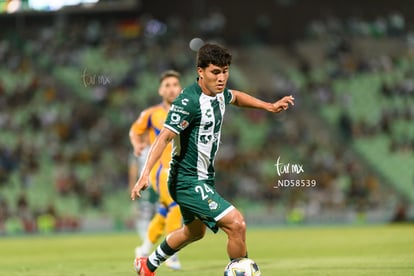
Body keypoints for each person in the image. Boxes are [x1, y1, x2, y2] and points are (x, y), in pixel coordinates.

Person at [131, 43, 295, 276]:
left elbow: (235, 96)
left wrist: (268, 106)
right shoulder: (187, 102)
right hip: (186, 181)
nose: (222, 78)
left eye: (225, 71)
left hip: (203, 178)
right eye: (215, 72)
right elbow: (164, 137)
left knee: (194, 232)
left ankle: (147, 265)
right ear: (201, 72)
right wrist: (145, 174)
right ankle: (240, 269)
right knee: (236, 224)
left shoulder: (219, 94)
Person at [129, 70, 183, 270]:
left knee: (164, 211)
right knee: (176, 206)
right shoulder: (151, 114)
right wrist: (136, 145)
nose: (171, 88)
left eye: (175, 84)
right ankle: (171, 254)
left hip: (180, 170)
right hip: (161, 170)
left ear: (180, 88)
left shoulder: (188, 111)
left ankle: (144, 250)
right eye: (167, 85)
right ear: (161, 90)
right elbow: (135, 131)